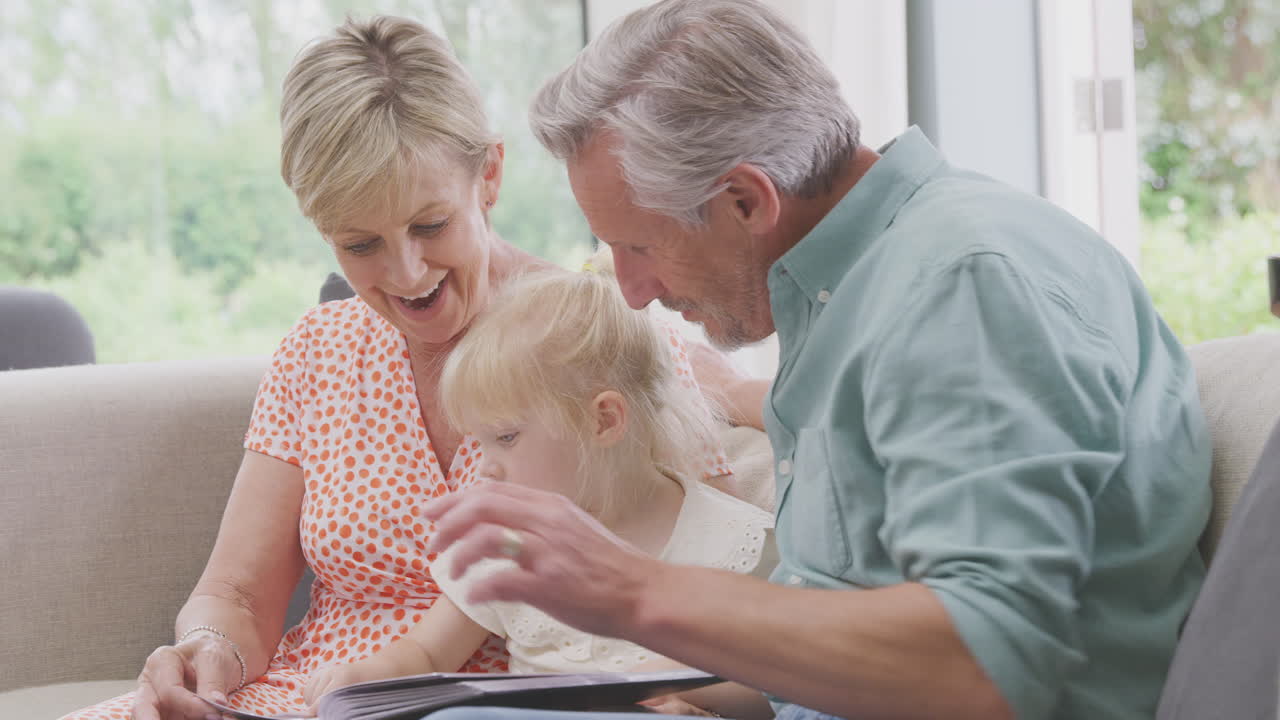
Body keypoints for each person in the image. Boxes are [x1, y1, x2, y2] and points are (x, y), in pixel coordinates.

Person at [422, 1, 1213, 719]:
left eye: (641, 245)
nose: (632, 291)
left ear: (745, 200)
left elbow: (983, 664)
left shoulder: (962, 285)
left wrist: (633, 590)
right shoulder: (853, 292)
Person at [62, 15, 752, 720]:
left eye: (429, 226)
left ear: (489, 175)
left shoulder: (599, 337)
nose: (408, 273)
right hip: (318, 699)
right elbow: (237, 595)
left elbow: (708, 571)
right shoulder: (318, 349)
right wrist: (205, 652)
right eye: (361, 244)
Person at [302, 268, 777, 719]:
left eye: (506, 437)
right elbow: (425, 650)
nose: (485, 465)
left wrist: (688, 693)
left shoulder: (742, 542)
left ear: (605, 420)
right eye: (480, 441)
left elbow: (783, 688)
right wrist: (364, 678)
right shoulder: (505, 546)